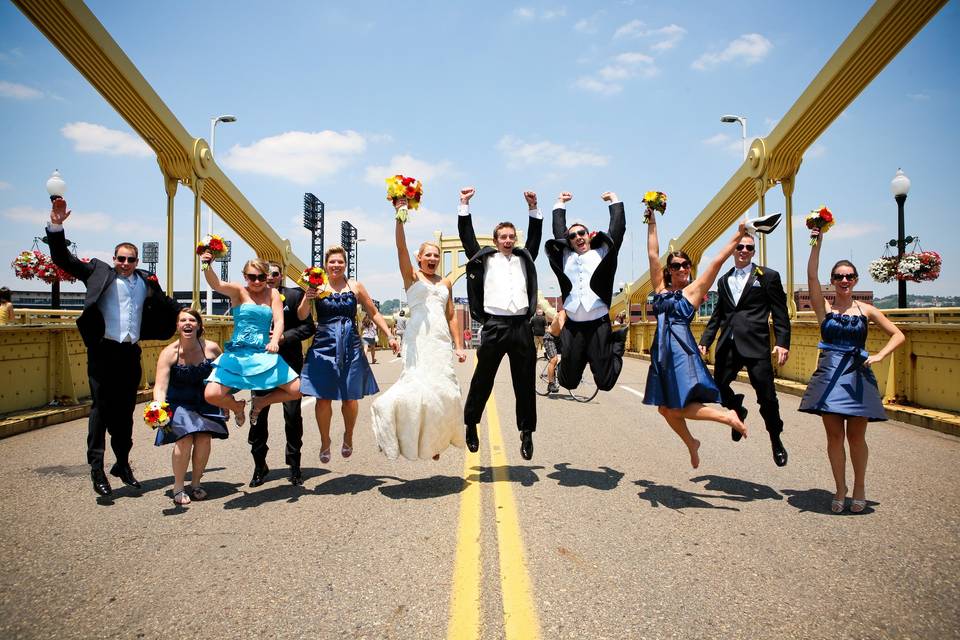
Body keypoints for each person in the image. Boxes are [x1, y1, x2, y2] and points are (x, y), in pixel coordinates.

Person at [46, 198, 179, 496]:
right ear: (114, 257)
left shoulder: (146, 281)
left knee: (124, 412)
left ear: (137, 262)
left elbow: (169, 305)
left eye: (131, 260)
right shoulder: (97, 272)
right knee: (100, 411)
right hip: (103, 351)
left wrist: (187, 319)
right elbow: (63, 260)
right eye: (121, 258)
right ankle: (97, 469)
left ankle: (122, 463)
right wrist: (56, 225)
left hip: (130, 354)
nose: (125, 264)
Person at [800, 229, 904, 513]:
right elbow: (810, 276)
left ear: (855, 280)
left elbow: (898, 335)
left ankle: (859, 486)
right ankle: (840, 488)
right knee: (834, 437)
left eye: (849, 277)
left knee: (856, 437)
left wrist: (880, 355)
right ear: (832, 282)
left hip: (858, 376)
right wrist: (816, 242)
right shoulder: (825, 309)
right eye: (838, 277)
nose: (844, 281)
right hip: (830, 376)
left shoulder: (867, 310)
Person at [642, 211, 748, 469]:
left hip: (681, 351)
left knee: (679, 407)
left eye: (685, 265)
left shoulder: (694, 289)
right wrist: (652, 222)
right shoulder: (660, 289)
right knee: (665, 409)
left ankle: (728, 417)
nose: (681, 269)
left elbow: (718, 261)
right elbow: (653, 255)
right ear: (669, 271)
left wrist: (740, 232)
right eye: (676, 266)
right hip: (662, 353)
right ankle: (692, 443)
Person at [371, 200, 468, 461]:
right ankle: (389, 422)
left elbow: (451, 315)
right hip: (417, 340)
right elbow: (400, 247)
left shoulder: (446, 281)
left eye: (436, 255)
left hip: (439, 340)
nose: (433, 259)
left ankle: (431, 439)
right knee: (418, 388)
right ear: (419, 257)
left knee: (445, 391)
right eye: (428, 255)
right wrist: (399, 218)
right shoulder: (411, 276)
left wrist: (459, 345)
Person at [459, 187, 542, 460]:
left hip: (521, 327)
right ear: (495, 240)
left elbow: (536, 238)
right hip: (494, 325)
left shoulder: (524, 257)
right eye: (503, 237)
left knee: (524, 382)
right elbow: (467, 238)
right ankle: (471, 423)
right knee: (483, 379)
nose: (508, 240)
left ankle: (526, 432)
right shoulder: (485, 259)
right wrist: (464, 205)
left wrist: (533, 208)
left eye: (511, 236)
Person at [698, 231, 792, 467]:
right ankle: (737, 409)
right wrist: (705, 341)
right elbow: (718, 314)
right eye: (739, 247)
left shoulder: (768, 276)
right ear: (733, 250)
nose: (743, 251)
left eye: (749, 248)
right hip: (728, 343)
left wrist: (782, 342)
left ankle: (775, 439)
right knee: (717, 387)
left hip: (756, 345)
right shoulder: (724, 279)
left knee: (768, 398)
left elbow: (780, 312)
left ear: (753, 252)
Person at [298, 246, 398, 463]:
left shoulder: (355, 286)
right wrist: (308, 297)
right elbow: (302, 315)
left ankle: (348, 434)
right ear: (325, 264)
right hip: (323, 345)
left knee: (350, 398)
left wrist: (389, 335)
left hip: (351, 344)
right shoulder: (317, 285)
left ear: (345, 264)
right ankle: (325, 441)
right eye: (332, 261)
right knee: (322, 399)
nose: (336, 265)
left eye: (340, 262)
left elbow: (374, 312)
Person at [200, 254, 301, 425]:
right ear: (245, 277)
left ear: (266, 276)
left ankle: (261, 402)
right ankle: (236, 407)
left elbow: (279, 321)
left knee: (297, 390)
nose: (256, 281)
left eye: (261, 277)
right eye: (252, 277)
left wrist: (275, 341)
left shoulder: (273, 293)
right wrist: (206, 265)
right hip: (238, 354)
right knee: (211, 394)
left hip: (263, 351)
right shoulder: (239, 291)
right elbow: (216, 284)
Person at [544, 190, 627, 392]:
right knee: (568, 382)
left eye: (581, 233)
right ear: (569, 240)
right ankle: (576, 360)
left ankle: (617, 342)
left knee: (606, 383)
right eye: (573, 236)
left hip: (598, 325)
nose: (578, 237)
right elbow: (558, 231)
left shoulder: (602, 252)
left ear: (588, 236)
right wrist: (559, 204)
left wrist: (615, 202)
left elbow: (617, 231)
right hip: (573, 328)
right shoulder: (565, 255)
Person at [248, 262, 316, 487]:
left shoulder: (295, 296)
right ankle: (259, 465)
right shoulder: (250, 297)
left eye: (274, 274)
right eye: (265, 275)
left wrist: (283, 337)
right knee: (258, 414)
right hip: (261, 364)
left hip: (288, 362)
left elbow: (308, 328)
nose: (269, 279)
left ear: (281, 276)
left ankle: (295, 466)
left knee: (293, 415)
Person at [153, 308, 229, 505]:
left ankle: (196, 484)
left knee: (204, 439)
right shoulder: (168, 353)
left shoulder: (212, 348)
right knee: (184, 439)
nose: (187, 323)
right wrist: (159, 408)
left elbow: (224, 377)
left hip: (206, 401)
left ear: (199, 325)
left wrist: (226, 402)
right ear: (178, 326)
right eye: (183, 320)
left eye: (192, 320)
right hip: (179, 403)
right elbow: (160, 386)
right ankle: (178, 486)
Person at [542, 310, 565, 394]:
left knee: (569, 355)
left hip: (559, 338)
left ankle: (560, 374)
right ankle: (550, 384)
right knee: (554, 359)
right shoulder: (562, 314)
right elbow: (562, 327)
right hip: (550, 337)